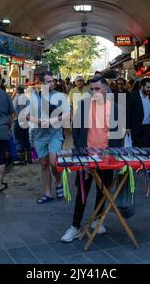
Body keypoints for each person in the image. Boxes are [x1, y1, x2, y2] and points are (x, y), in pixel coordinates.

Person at [61, 76, 124, 242]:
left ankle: (97, 219)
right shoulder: (84, 106)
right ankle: (75, 226)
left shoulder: (116, 108)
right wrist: (80, 150)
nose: (94, 92)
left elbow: (118, 135)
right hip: (86, 156)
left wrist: (114, 155)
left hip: (106, 157)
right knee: (82, 191)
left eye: (97, 89)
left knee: (103, 190)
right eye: (92, 89)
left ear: (106, 88)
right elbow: (76, 130)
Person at [28, 71, 70, 204]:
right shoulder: (34, 97)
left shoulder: (59, 96)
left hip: (55, 134)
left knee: (53, 162)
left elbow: (68, 115)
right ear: (41, 83)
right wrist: (40, 121)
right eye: (49, 81)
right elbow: (27, 116)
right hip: (40, 136)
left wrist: (53, 120)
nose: (53, 83)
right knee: (44, 165)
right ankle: (47, 193)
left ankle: (58, 181)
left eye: (53, 81)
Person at [126, 78, 150, 148]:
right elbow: (128, 112)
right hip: (135, 127)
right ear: (142, 87)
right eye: (148, 87)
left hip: (147, 128)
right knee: (135, 149)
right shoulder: (133, 96)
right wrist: (127, 127)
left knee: (145, 149)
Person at [13, 86, 31, 165]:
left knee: (18, 139)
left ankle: (21, 159)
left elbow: (16, 110)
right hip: (26, 121)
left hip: (18, 120)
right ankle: (29, 158)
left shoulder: (17, 98)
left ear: (17, 91)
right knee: (25, 138)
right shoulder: (26, 98)